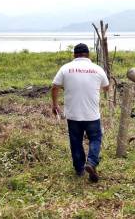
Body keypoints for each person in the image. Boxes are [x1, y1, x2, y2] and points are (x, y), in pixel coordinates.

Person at [51, 43, 109, 182]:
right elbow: (106, 87)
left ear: (74, 55)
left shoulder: (65, 68)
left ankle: (79, 169)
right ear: (88, 55)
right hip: (92, 114)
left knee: (75, 141)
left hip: (73, 114)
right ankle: (92, 162)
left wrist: (55, 105)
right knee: (95, 138)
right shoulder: (97, 69)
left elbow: (54, 87)